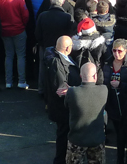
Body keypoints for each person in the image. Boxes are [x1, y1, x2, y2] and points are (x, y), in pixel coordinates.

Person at [44, 35, 81, 164]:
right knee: (63, 135)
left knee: (64, 134)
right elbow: (61, 89)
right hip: (63, 108)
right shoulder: (57, 62)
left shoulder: (61, 58)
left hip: (64, 107)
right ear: (67, 48)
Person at [64, 62, 108, 164]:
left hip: (77, 140)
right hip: (97, 139)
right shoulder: (104, 90)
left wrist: (70, 90)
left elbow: (67, 106)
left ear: (80, 76)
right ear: (95, 76)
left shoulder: (72, 92)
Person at [0, 0, 29, 89]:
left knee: (8, 55)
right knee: (21, 56)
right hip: (18, 30)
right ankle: (21, 81)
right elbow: (25, 16)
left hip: (5, 31)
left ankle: (8, 81)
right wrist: (23, 25)